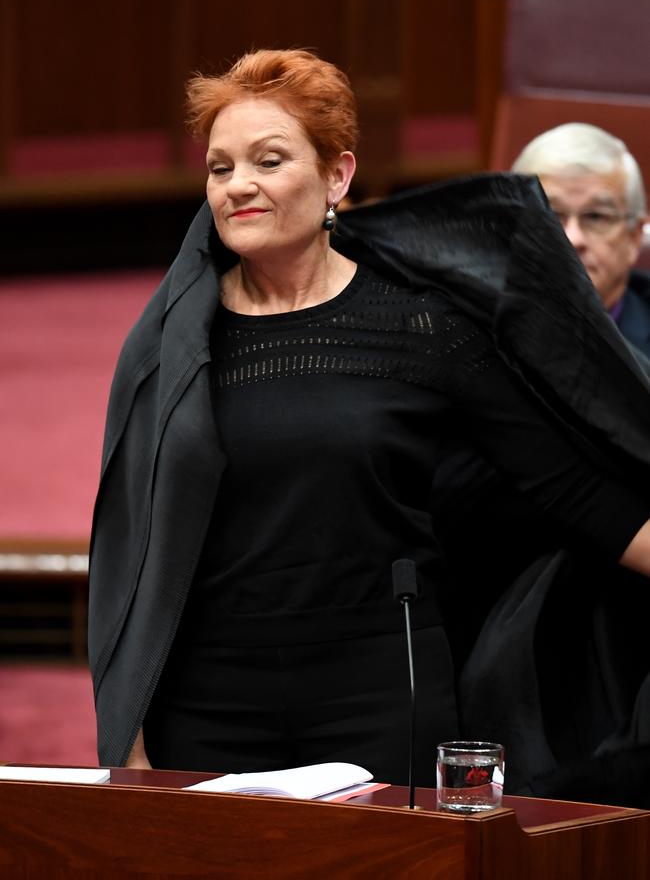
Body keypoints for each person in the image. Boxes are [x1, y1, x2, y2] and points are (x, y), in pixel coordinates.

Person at [88, 50, 650, 794]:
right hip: (208, 701)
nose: (238, 186)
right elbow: (130, 548)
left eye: (268, 159)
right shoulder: (174, 339)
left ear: (337, 176)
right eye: (220, 168)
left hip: (383, 696)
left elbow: (569, 486)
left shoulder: (424, 324)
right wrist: (128, 737)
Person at [512, 123, 650, 356]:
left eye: (596, 216)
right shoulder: (468, 327)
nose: (573, 239)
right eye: (551, 216)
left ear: (634, 237)